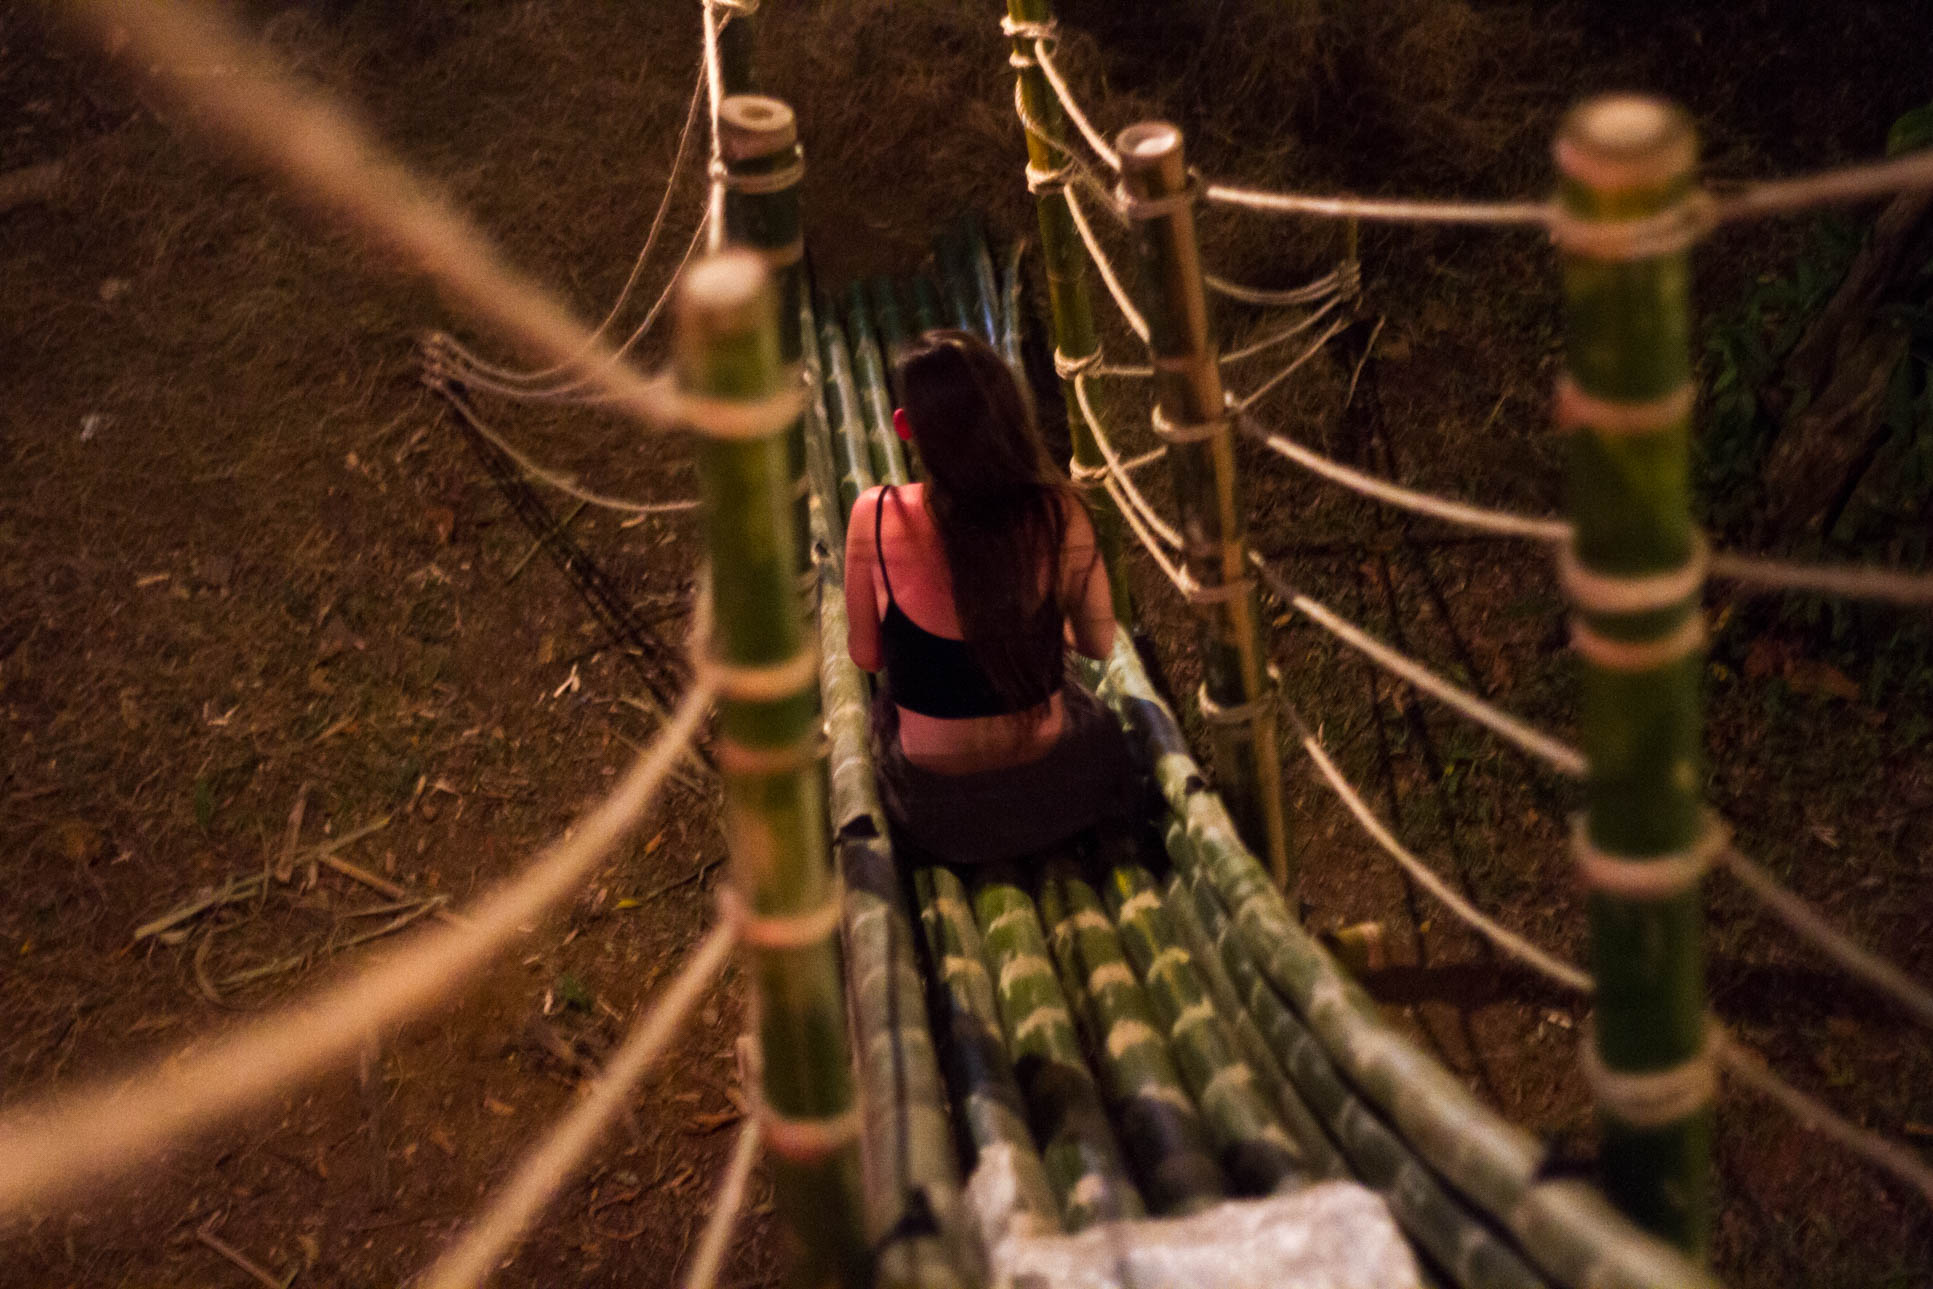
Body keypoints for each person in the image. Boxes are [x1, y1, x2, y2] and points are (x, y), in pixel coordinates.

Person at [844, 329, 1141, 866]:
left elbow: (865, 656)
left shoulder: (875, 513)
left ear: (905, 429)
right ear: (1009, 413)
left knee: (882, 717)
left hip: (936, 818)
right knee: (1099, 722)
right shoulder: (1060, 512)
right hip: (1058, 791)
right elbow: (1099, 642)